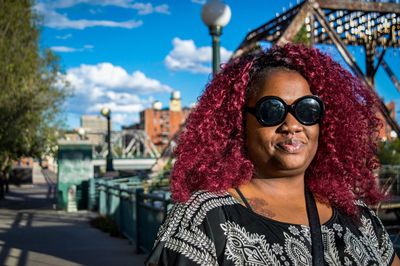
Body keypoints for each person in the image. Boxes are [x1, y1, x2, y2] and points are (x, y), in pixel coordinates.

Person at [146, 43, 400, 265]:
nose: (292, 124)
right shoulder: (204, 217)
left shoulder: (359, 216)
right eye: (272, 110)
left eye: (307, 110)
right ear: (240, 123)